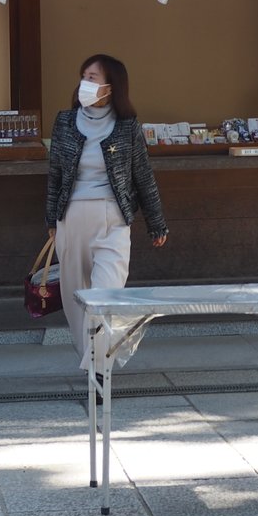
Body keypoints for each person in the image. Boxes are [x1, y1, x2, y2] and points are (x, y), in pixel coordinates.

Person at [45, 54, 168, 381]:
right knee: (76, 298)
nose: (86, 82)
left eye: (94, 77)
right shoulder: (64, 122)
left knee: (106, 294)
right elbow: (55, 174)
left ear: (112, 87)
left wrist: (156, 223)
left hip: (113, 219)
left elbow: (143, 177)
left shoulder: (127, 127)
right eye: (84, 75)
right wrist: (50, 221)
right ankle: (93, 357)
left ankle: (98, 366)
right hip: (71, 218)